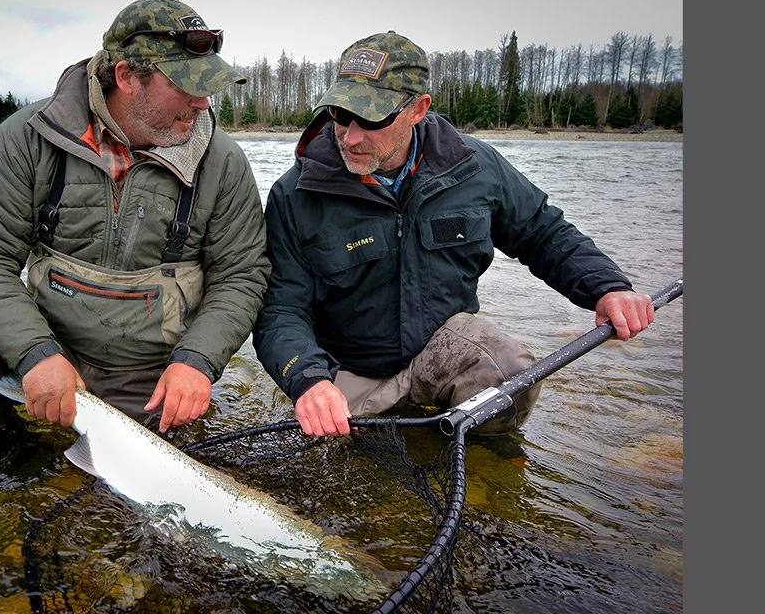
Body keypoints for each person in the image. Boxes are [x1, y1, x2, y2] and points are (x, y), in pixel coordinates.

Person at [252, 31, 655, 438]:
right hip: (348, 368)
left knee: (511, 375)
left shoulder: (475, 165)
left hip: (440, 351)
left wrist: (607, 287)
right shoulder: (295, 193)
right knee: (327, 456)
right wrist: (307, 380)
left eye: (373, 118)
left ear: (418, 110)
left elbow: (543, 232)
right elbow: (281, 310)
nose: (352, 137)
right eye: (341, 115)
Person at [0, 0, 270, 443]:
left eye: (208, 86)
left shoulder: (223, 161)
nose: (202, 103)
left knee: (150, 482)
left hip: (150, 369)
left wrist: (196, 361)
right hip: (51, 342)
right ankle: (16, 461)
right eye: (186, 85)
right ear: (127, 78)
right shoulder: (28, 137)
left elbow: (242, 276)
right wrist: (35, 354)